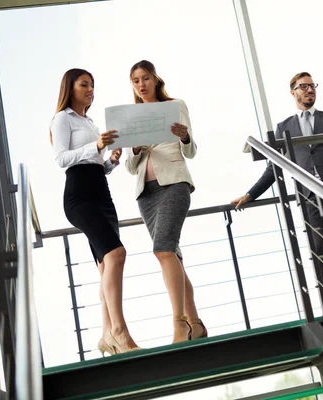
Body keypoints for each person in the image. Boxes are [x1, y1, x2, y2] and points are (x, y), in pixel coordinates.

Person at [231, 72, 323, 313]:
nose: (310, 90)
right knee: (319, 253)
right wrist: (250, 195)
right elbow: (273, 168)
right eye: (304, 86)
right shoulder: (284, 128)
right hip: (309, 199)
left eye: (312, 86)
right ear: (293, 92)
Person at [50, 68, 140, 355]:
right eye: (84, 85)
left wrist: (110, 159)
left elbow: (95, 162)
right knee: (117, 254)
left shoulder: (88, 121)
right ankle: (119, 332)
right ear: (70, 88)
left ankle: (106, 335)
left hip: (101, 192)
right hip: (79, 195)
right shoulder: (62, 118)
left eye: (92, 85)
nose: (90, 89)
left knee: (106, 267)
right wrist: (96, 145)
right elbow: (62, 158)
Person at [125, 60, 206, 343]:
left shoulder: (175, 105)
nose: (141, 84)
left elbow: (192, 150)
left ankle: (179, 323)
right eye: (135, 80)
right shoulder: (132, 116)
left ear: (156, 79)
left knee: (163, 251)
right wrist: (134, 148)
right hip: (145, 194)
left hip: (173, 184)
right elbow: (130, 166)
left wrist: (185, 137)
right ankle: (196, 323)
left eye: (145, 78)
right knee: (173, 256)